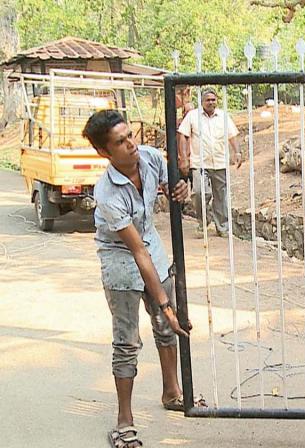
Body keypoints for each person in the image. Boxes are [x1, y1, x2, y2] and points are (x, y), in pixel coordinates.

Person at [83, 110, 200, 448]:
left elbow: (172, 185)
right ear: (105, 153)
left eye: (130, 135)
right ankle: (124, 421)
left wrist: (181, 188)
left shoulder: (148, 157)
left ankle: (172, 391)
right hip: (121, 259)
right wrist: (162, 302)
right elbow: (136, 253)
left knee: (168, 327)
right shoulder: (107, 192)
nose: (131, 144)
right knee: (127, 342)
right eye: (121, 142)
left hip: (151, 246)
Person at [177, 88, 241, 238]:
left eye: (213, 100)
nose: (211, 102)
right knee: (199, 192)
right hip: (200, 163)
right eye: (208, 100)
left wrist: (237, 152)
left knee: (221, 196)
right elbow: (182, 136)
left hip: (220, 162)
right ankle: (203, 221)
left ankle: (222, 228)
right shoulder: (193, 116)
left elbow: (233, 136)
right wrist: (184, 158)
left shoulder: (223, 116)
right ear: (202, 102)